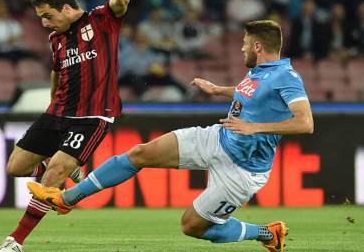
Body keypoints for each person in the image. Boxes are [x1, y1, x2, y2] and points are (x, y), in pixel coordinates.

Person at [28, 20, 314, 252]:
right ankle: (67, 199)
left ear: (258, 45)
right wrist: (219, 90)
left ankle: (267, 233)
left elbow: (305, 123)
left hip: (242, 170)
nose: (241, 49)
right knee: (140, 153)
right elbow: (253, 94)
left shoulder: (286, 77)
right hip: (218, 138)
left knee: (191, 226)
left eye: (244, 44)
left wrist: (256, 128)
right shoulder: (260, 72)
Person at [0, 0, 129, 251]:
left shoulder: (101, 20)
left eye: (48, 16)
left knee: (53, 172)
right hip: (57, 113)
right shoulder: (56, 39)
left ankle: (14, 241)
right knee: (15, 167)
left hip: (93, 115)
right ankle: (65, 167)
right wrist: (52, 103)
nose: (44, 24)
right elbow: (57, 72)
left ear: (66, 8)